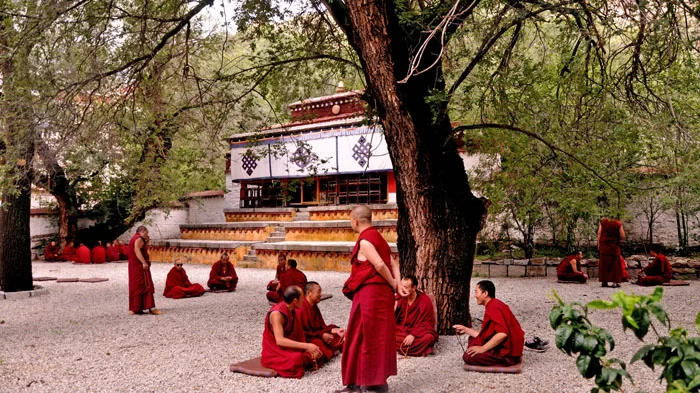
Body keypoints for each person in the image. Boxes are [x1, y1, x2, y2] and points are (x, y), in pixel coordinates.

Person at [338, 205, 403, 393]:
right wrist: (397, 285)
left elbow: (381, 265)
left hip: (370, 294)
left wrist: (393, 283)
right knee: (379, 336)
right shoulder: (379, 238)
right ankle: (378, 382)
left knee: (358, 336)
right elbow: (393, 262)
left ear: (355, 221)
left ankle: (355, 384)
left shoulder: (365, 241)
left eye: (351, 220)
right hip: (383, 296)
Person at [454, 280, 525, 367]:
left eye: (476, 292)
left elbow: (502, 334)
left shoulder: (493, 307)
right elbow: (484, 335)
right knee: (472, 339)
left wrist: (483, 348)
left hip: (507, 354)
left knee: (468, 357)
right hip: (504, 347)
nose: (475, 295)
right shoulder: (494, 304)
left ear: (485, 293)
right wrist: (465, 329)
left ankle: (505, 362)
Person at [261, 285, 324, 378]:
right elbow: (280, 341)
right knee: (296, 359)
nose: (304, 301)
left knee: (317, 349)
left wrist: (308, 348)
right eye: (302, 298)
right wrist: (306, 346)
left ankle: (306, 359)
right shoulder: (277, 314)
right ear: (295, 301)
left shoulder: (292, 310)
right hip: (275, 351)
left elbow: (298, 335)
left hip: (289, 347)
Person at [298, 281, 345, 363]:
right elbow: (301, 333)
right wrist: (321, 335)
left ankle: (333, 350)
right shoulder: (301, 308)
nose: (321, 294)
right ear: (309, 293)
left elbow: (321, 327)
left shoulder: (314, 306)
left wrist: (332, 330)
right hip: (307, 339)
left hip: (316, 335)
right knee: (319, 348)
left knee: (339, 335)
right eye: (319, 291)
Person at [394, 275, 438, 357]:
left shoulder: (424, 300)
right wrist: (394, 308)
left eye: (406, 287)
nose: (403, 290)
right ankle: (422, 349)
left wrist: (413, 335)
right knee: (386, 335)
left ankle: (398, 347)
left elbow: (427, 323)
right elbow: (390, 320)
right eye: (401, 286)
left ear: (414, 288)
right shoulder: (399, 297)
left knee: (429, 338)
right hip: (401, 330)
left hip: (418, 330)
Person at [127, 226, 161, 315]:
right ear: (143, 231)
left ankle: (135, 308)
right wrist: (144, 262)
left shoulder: (134, 238)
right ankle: (151, 307)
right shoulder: (139, 238)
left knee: (135, 285)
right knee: (146, 284)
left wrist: (147, 241)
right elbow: (137, 250)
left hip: (133, 266)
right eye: (147, 232)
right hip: (139, 266)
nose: (147, 234)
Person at [598, 217, 625, 288]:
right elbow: (622, 235)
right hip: (614, 246)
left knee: (604, 263)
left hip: (604, 245)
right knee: (615, 264)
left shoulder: (603, 222)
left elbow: (599, 233)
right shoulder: (618, 223)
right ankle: (614, 282)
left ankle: (604, 281)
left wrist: (599, 243)